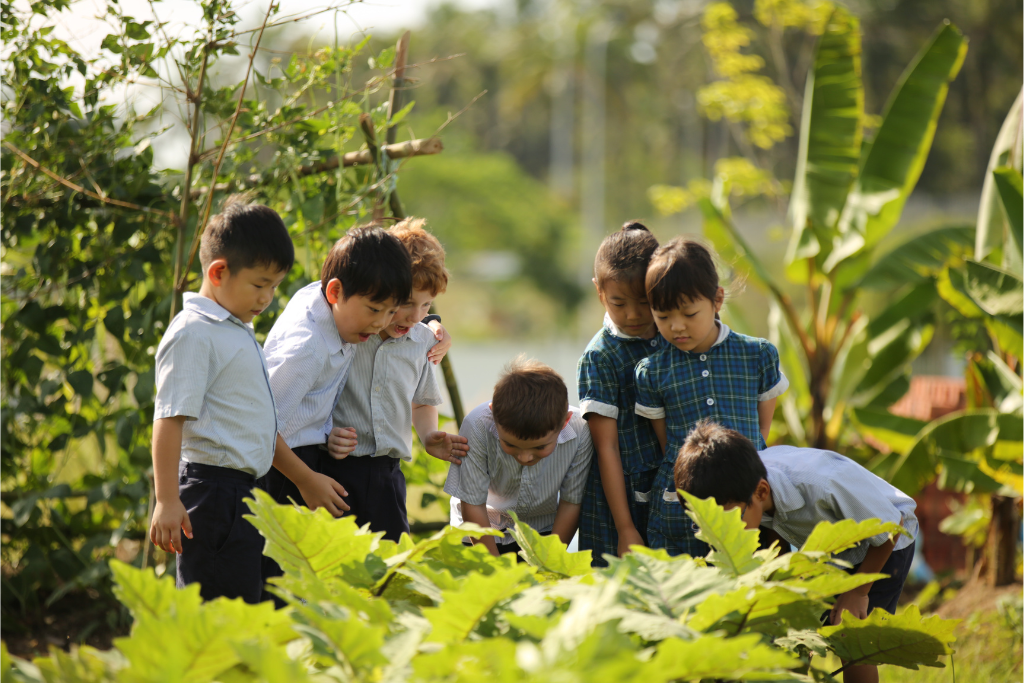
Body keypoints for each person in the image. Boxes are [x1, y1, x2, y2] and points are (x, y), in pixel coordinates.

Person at [150, 198, 343, 603]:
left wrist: (304, 478)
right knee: (220, 611)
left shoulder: (235, 329)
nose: (267, 298)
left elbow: (256, 426)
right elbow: (169, 419)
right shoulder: (194, 333)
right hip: (212, 492)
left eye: (274, 287)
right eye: (259, 285)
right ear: (219, 272)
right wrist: (167, 499)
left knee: (249, 603)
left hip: (245, 492)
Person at [674, 420, 918, 683]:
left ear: (761, 492)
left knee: (853, 638)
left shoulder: (821, 484)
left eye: (729, 520)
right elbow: (775, 524)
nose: (722, 533)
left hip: (884, 544)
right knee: (794, 632)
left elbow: (892, 526)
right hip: (830, 550)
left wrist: (858, 591)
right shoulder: (746, 488)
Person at [635, 237, 788, 556]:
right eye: (662, 317)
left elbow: (760, 433)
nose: (677, 327)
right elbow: (669, 446)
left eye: (690, 313)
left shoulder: (757, 355)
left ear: (717, 299)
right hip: (683, 509)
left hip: (746, 500)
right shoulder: (652, 372)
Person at [324, 217, 468, 541]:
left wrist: (429, 434)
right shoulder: (351, 333)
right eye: (405, 303)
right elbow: (315, 398)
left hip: (387, 477)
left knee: (389, 572)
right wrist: (326, 433)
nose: (415, 316)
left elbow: (421, 400)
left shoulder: (421, 342)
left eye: (426, 304)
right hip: (336, 470)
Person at [259, 225, 412, 520]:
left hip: (303, 455)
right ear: (335, 291)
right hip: (282, 468)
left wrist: (432, 327)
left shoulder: (327, 300)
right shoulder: (308, 348)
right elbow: (262, 429)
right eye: (373, 309)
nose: (382, 323)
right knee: (283, 561)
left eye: (391, 312)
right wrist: (306, 480)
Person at [576, 221, 665, 566]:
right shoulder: (600, 357)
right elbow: (606, 447)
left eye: (644, 302)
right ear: (599, 292)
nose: (633, 315)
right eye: (618, 303)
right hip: (620, 498)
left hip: (669, 484)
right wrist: (626, 527)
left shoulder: (672, 332)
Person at [443, 357, 593, 557]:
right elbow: (472, 503)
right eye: (511, 444)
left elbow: (571, 502)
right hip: (479, 532)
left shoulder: (581, 430)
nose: (524, 457)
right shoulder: (477, 424)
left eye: (540, 447)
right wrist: (495, 567)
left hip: (543, 532)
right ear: (494, 414)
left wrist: (549, 562)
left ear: (565, 421)